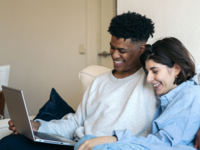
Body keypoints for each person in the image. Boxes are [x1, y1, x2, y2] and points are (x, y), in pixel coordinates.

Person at [0, 12, 157, 150]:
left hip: (109, 147)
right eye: (112, 47)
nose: (114, 55)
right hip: (78, 144)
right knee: (11, 142)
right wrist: (37, 126)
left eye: (122, 51)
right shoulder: (100, 81)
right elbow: (75, 123)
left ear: (141, 49)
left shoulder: (152, 82)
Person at [74, 37, 200, 150]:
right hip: (151, 144)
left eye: (155, 71)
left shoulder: (189, 95)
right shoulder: (169, 97)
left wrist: (116, 138)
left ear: (176, 69)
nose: (148, 79)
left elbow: (164, 143)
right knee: (85, 141)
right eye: (147, 72)